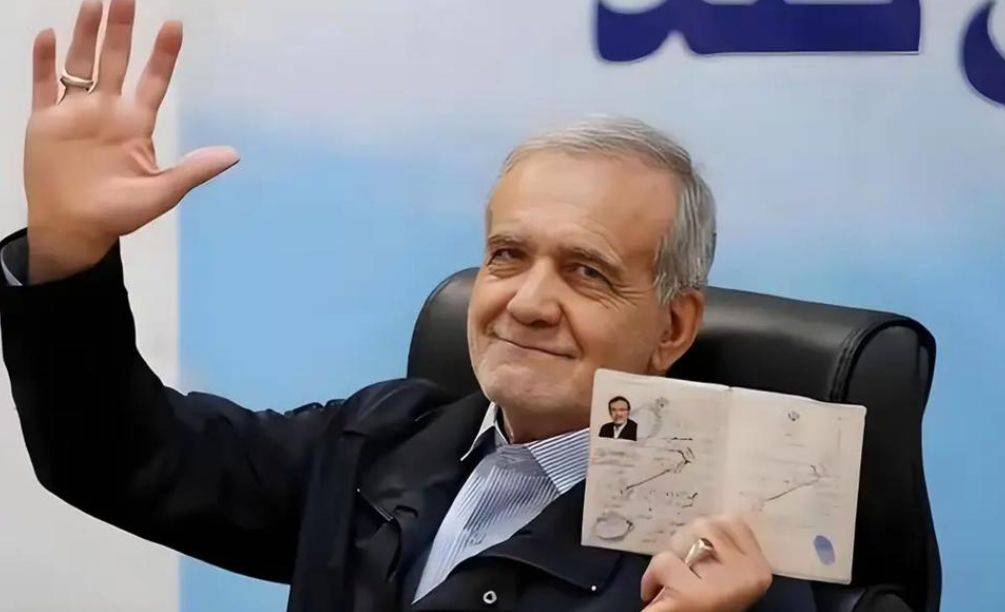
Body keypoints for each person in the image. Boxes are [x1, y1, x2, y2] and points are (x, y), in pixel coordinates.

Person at [0, 1, 817, 610]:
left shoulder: (725, 558)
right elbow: (117, 456)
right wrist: (69, 253)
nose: (528, 303)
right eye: (507, 255)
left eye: (585, 272)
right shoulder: (379, 439)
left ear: (671, 326)